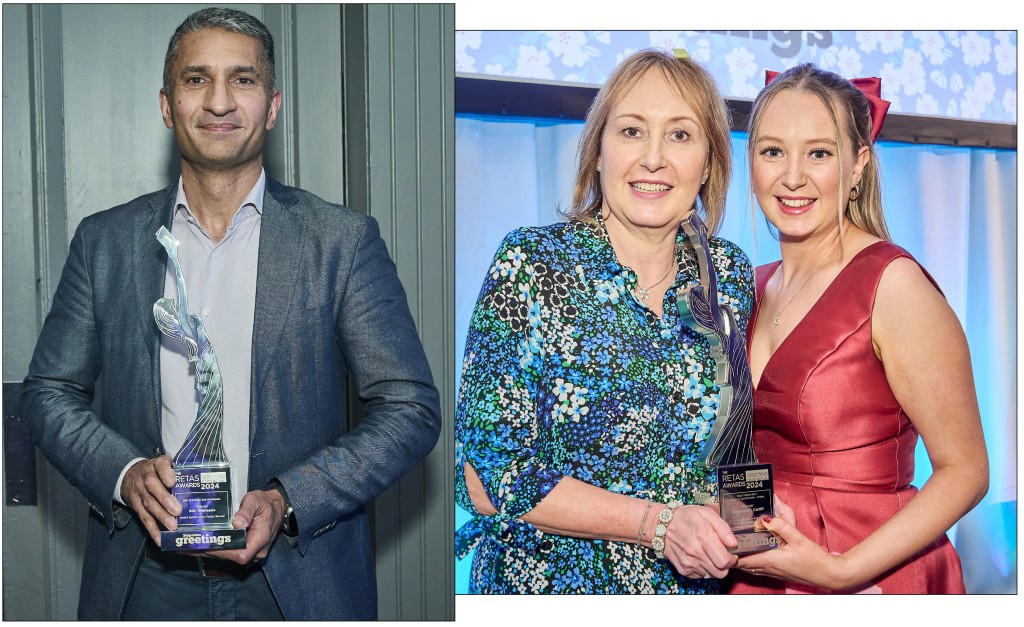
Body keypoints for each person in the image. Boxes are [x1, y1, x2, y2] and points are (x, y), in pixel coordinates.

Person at [20, 7, 441, 620]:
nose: (219, 102)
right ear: (168, 106)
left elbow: (410, 407)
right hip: (143, 579)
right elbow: (48, 392)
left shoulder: (341, 242)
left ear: (271, 106)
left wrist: (288, 499)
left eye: (242, 80)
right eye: (196, 80)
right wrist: (125, 472)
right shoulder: (103, 241)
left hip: (295, 582)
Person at [455, 49, 755, 593]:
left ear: (710, 162)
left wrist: (761, 524)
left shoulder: (730, 274)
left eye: (681, 135)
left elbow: (731, 447)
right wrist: (659, 525)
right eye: (633, 131)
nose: (654, 159)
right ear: (596, 152)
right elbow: (488, 478)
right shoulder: (532, 263)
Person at [728, 64, 988, 593]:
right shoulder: (748, 286)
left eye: (819, 153)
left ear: (858, 165)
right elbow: (742, 452)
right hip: (762, 571)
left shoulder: (892, 285)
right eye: (773, 151)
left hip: (869, 575)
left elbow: (966, 470)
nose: (792, 176)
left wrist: (841, 571)